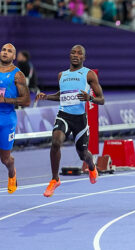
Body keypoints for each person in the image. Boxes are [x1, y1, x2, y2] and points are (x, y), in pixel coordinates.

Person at [36, 45, 105, 197]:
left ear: (83, 58)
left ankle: (92, 166)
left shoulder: (89, 74)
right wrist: (46, 96)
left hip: (80, 120)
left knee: (83, 154)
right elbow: (62, 95)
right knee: (55, 142)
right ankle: (55, 179)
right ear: (69, 55)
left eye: (79, 53)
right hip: (64, 115)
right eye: (73, 52)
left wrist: (90, 98)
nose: (75, 55)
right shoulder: (62, 75)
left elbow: (102, 100)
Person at [0, 43, 31, 194]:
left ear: (13, 57)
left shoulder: (18, 74)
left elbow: (26, 101)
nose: (5, 52)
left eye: (9, 51)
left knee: (5, 159)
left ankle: (12, 173)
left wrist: (5, 100)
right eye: (4, 50)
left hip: (6, 119)